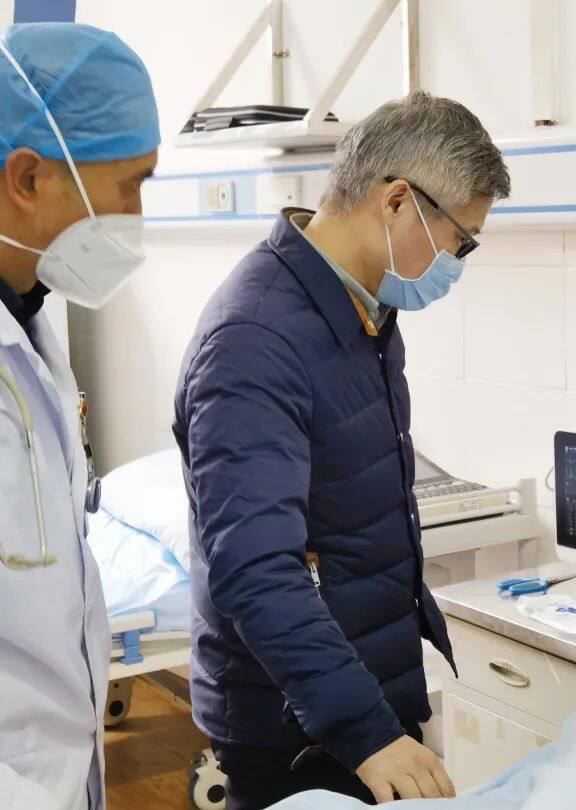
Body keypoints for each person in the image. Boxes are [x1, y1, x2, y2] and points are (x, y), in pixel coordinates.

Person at [173, 90, 511, 808]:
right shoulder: (255, 340)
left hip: (353, 691)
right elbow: (255, 568)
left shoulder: (362, 310)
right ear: (397, 202)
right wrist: (364, 729)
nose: (457, 261)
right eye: (461, 239)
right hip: (296, 721)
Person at [0, 22, 159, 810]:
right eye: (131, 184)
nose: (136, 213)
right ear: (28, 177)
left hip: (58, 768)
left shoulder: (30, 321)